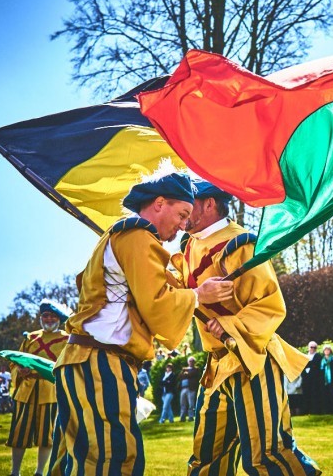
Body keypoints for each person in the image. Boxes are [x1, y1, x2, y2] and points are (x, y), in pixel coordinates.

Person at [47, 168, 234, 476]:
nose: (184, 226)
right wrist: (199, 295)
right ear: (159, 203)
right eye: (182, 214)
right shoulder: (138, 236)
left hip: (81, 361)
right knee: (114, 460)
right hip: (100, 362)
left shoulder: (123, 235)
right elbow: (157, 306)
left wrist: (181, 288)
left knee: (76, 461)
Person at [179, 179, 320, 476]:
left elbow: (270, 304)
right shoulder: (187, 247)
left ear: (209, 203)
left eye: (188, 201)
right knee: (207, 457)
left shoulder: (241, 244)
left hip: (252, 359)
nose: (181, 210)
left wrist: (229, 324)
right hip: (217, 365)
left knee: (265, 455)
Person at [7, 299, 70, 476]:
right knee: (19, 433)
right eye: (45, 315)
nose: (48, 319)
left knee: (46, 435)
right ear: (41, 317)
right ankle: (15, 472)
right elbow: (15, 362)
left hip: (50, 391)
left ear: (58, 318)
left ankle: (39, 472)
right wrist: (19, 370)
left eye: (52, 316)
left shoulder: (67, 339)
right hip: (26, 390)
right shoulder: (30, 337)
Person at [301, 341, 322, 414]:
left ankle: (315, 411)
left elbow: (315, 365)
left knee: (314, 395)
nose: (313, 349)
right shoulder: (304, 356)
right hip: (306, 380)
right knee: (306, 395)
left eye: (314, 347)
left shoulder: (318, 356)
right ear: (308, 348)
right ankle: (306, 411)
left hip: (314, 380)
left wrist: (309, 364)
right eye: (311, 347)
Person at [319, 344, 333, 414]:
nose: (326, 351)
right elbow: (320, 371)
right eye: (325, 350)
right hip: (325, 381)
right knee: (325, 396)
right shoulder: (322, 360)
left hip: (332, 381)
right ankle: (327, 411)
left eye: (328, 350)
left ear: (330, 351)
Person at [178, 356, 199, 422]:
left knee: (191, 404)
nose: (191, 362)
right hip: (183, 388)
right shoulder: (185, 370)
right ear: (188, 362)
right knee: (182, 404)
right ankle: (182, 417)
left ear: (194, 362)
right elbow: (179, 376)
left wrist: (185, 372)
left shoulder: (195, 369)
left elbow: (191, 375)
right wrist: (184, 372)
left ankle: (191, 417)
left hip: (191, 388)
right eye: (190, 361)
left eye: (192, 361)